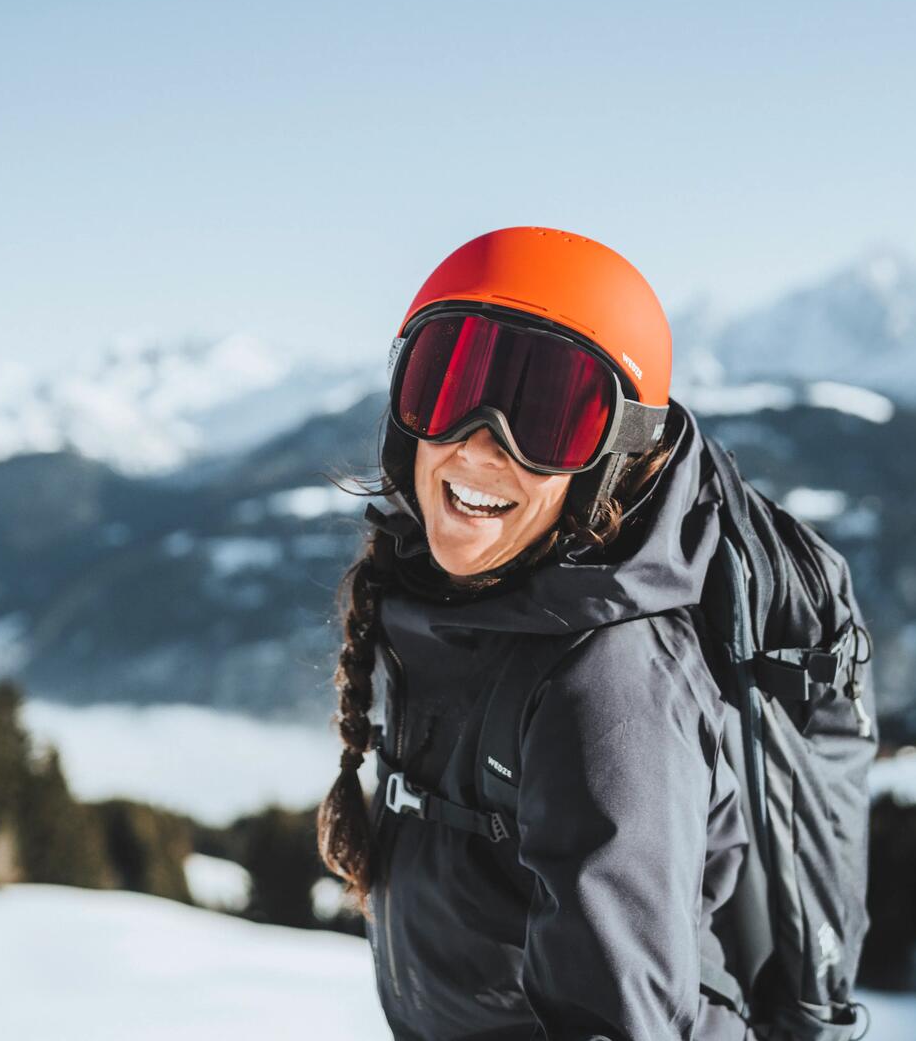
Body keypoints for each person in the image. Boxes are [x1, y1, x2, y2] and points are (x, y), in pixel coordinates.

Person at [318, 225, 755, 1040]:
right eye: (447, 387)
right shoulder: (452, 602)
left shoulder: (609, 687)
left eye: (548, 415)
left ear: (611, 462)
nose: (482, 445)